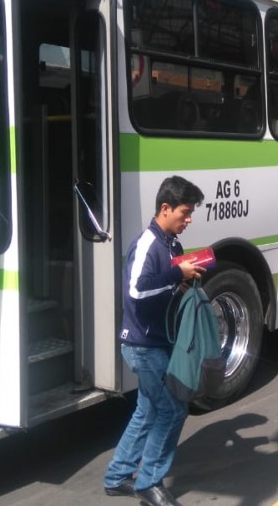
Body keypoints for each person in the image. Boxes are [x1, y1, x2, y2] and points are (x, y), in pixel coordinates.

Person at [104, 176, 206, 506]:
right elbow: (136, 291)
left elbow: (159, 289)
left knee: (147, 411)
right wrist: (178, 275)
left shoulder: (171, 244)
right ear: (165, 208)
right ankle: (150, 483)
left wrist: (182, 282)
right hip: (143, 346)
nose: (189, 220)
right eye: (185, 213)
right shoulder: (148, 243)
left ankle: (118, 476)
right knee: (173, 411)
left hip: (156, 342)